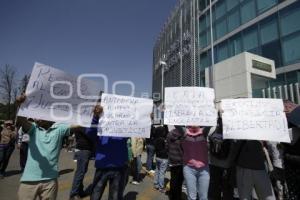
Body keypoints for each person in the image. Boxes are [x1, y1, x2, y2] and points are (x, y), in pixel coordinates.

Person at [16, 94, 99, 200]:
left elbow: (78, 124)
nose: (38, 117)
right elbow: (22, 121)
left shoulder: (59, 128)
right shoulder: (33, 129)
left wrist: (92, 114)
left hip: (50, 181)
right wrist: (20, 105)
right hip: (29, 181)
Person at [87, 114, 129, 200]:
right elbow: (89, 132)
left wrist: (145, 120)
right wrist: (96, 117)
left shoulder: (124, 124)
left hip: (119, 167)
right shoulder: (101, 122)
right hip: (103, 166)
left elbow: (137, 129)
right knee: (95, 195)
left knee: (115, 197)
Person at [208, 115, 239, 200]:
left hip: (213, 164)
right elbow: (235, 148)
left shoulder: (212, 130)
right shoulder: (232, 131)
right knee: (227, 189)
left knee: (214, 187)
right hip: (227, 165)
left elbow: (208, 145)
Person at [182, 126, 210, 200]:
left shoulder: (204, 132)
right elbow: (176, 124)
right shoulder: (185, 132)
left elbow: (210, 123)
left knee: (203, 197)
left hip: (204, 169)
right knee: (191, 197)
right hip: (189, 169)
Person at [69, 126, 95, 200]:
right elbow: (89, 133)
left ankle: (80, 191)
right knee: (80, 172)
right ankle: (74, 194)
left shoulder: (81, 124)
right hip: (83, 150)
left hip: (84, 149)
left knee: (82, 171)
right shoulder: (80, 125)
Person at [167, 125, 184, 200]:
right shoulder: (183, 135)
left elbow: (167, 146)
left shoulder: (169, 134)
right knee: (179, 180)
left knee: (173, 178)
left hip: (172, 159)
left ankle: (172, 196)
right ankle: (178, 196)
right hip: (181, 160)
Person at [153, 125, 169, 193]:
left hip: (157, 157)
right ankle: (161, 187)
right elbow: (165, 149)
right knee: (162, 172)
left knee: (157, 171)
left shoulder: (156, 139)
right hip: (163, 158)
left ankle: (156, 184)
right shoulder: (163, 140)